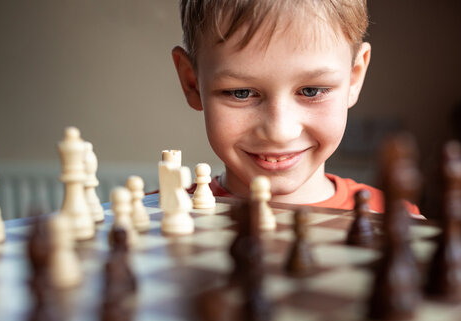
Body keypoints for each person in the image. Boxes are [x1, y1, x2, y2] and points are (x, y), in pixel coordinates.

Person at [171, 0, 419, 215]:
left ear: (354, 78)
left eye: (312, 91)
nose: (279, 132)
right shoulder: (156, 213)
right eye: (241, 93)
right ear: (192, 83)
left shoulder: (399, 220)